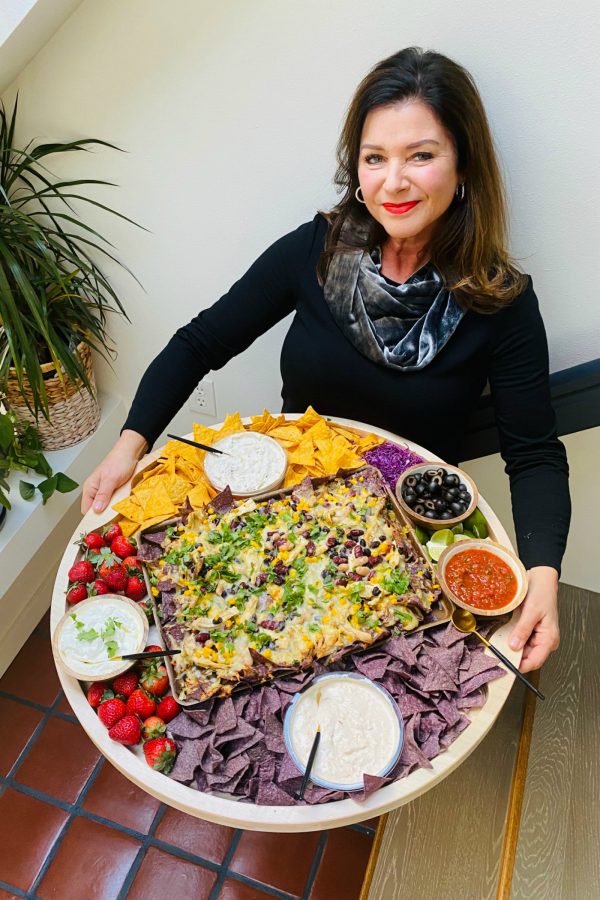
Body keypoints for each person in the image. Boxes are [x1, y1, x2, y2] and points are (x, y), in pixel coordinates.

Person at [82, 47, 570, 674]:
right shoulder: (316, 248)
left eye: (421, 155)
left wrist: (544, 575)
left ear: (464, 165)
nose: (393, 182)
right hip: (283, 515)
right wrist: (129, 444)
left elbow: (533, 455)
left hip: (404, 544)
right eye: (375, 158)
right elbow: (198, 343)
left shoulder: (500, 301)